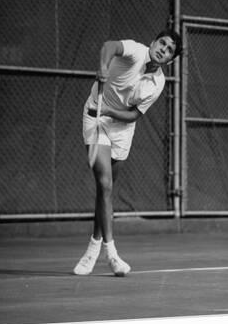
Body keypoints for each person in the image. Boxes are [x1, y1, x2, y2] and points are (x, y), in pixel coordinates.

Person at [73, 30, 182, 277]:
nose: (163, 49)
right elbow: (110, 45)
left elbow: (134, 115)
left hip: (123, 129)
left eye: (168, 50)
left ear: (170, 60)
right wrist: (102, 65)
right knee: (105, 184)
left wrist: (112, 113)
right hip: (96, 116)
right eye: (161, 43)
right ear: (153, 42)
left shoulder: (159, 83)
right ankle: (111, 255)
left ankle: (93, 247)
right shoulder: (135, 50)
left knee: (106, 191)